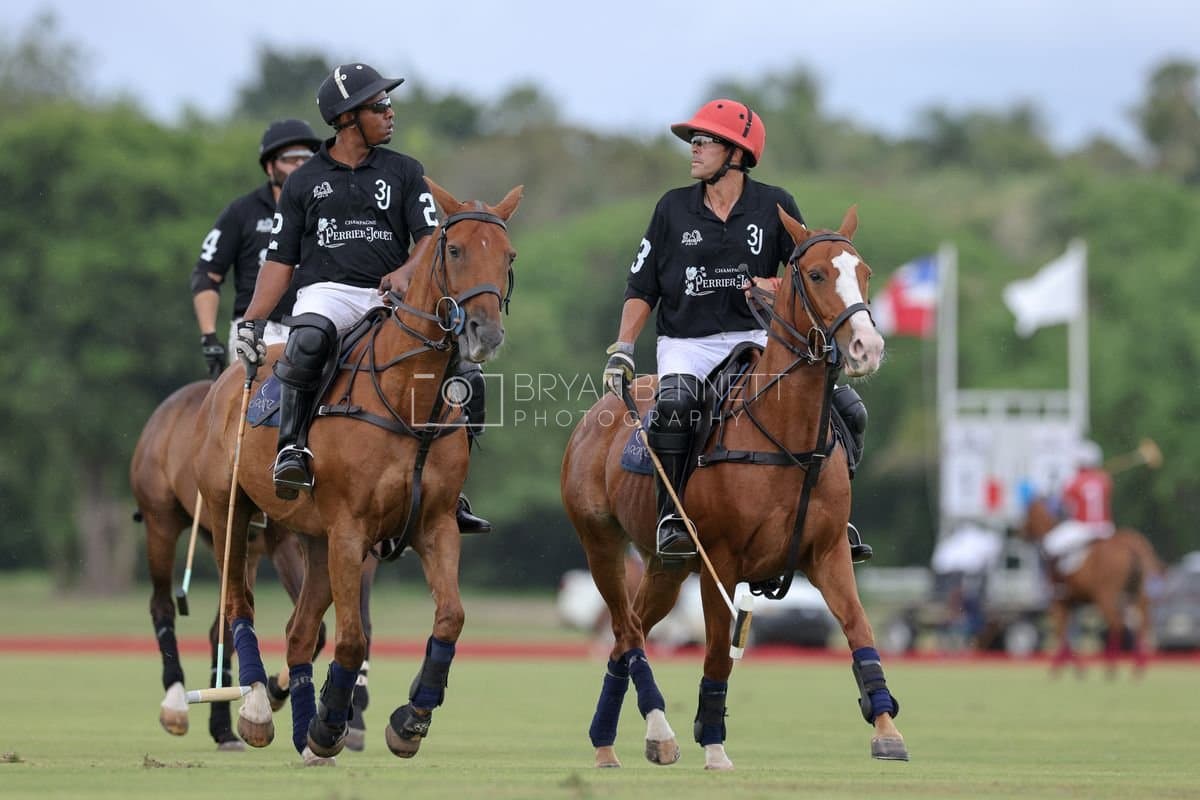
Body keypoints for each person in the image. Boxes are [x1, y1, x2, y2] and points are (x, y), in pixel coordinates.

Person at [600, 98, 872, 563]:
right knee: (675, 407)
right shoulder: (672, 208)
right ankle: (672, 518)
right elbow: (641, 286)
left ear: (737, 153)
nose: (694, 148)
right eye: (694, 141)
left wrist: (774, 285)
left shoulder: (775, 205)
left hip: (758, 340)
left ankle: (833, 517)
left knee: (848, 409)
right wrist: (624, 346)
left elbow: (812, 274)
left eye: (704, 141)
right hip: (688, 344)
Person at [234, 62, 490, 534]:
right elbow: (280, 262)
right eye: (380, 105)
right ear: (347, 117)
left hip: (391, 296)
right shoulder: (303, 181)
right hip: (327, 293)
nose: (390, 113)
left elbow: (430, 237)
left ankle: (452, 488)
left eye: (388, 104)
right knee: (307, 342)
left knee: (468, 373)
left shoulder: (405, 171)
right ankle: (291, 449)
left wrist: (406, 271)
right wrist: (253, 320)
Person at [190, 119, 321, 378]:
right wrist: (209, 337)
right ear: (270, 166)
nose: (300, 165)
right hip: (260, 329)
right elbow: (206, 275)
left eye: (307, 158)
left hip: (315, 325)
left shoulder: (328, 209)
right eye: (291, 159)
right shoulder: (242, 212)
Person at [1041, 440, 1114, 573]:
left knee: (1048, 545)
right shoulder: (1105, 480)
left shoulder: (1072, 482)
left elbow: (1062, 507)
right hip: (1106, 528)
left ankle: (1055, 581)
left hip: (1082, 528)